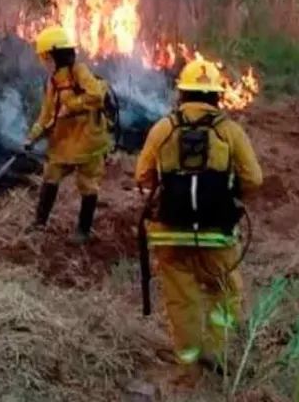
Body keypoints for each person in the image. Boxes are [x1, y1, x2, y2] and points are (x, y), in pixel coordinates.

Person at [135, 58, 263, 372]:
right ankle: (215, 352)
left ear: (182, 94)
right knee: (227, 292)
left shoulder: (164, 128)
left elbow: (143, 175)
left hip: (169, 232)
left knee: (181, 298)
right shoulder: (229, 131)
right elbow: (254, 179)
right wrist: (231, 197)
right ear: (217, 96)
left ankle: (187, 361)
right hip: (216, 232)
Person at [26, 25, 113, 244]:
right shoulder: (54, 81)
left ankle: (83, 231)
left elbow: (96, 96)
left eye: (47, 56)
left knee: (88, 185)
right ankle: (40, 223)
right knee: (51, 176)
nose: (46, 62)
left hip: (88, 143)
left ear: (57, 54)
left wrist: (73, 104)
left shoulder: (80, 72)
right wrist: (32, 137)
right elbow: (46, 114)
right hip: (64, 143)